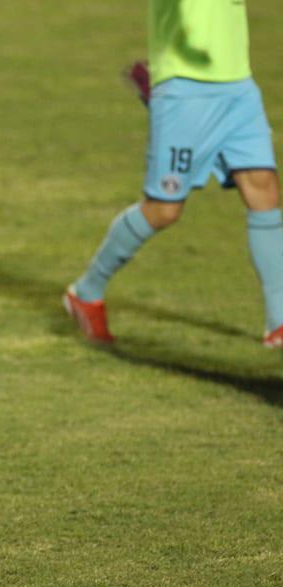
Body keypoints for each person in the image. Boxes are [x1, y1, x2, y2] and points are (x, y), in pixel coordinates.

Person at [64, 0, 283, 347]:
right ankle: (86, 292)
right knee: (163, 209)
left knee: (264, 189)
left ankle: (279, 323)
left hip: (237, 85)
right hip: (184, 88)